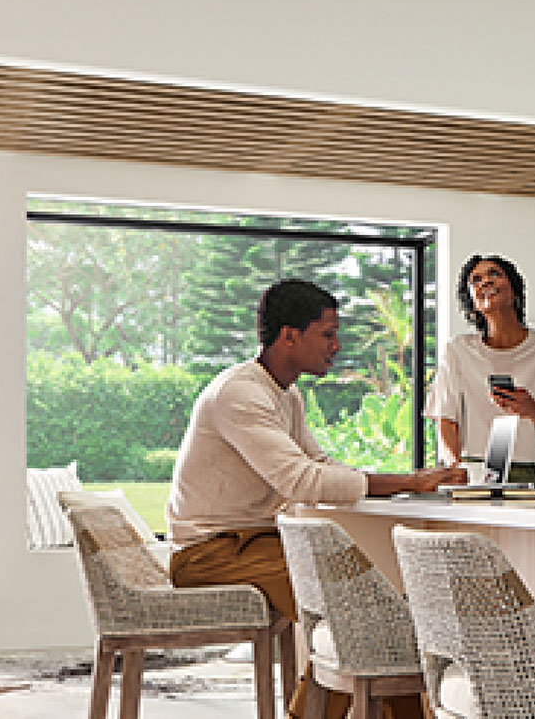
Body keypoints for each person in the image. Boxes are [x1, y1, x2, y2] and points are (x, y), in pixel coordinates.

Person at [167, 278, 463, 719]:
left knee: (369, 620)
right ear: (289, 335)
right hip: (211, 551)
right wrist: (412, 481)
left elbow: (320, 464)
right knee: (359, 621)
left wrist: (407, 481)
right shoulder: (239, 393)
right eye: (327, 334)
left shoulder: (286, 395)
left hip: (255, 541)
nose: (336, 346)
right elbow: (301, 480)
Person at [425, 254, 535, 479]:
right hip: (471, 471)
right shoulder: (457, 350)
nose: (485, 282)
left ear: (514, 290)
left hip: (525, 473)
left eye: (495, 274)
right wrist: (454, 469)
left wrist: (532, 409)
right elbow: (446, 419)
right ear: (472, 303)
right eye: (475, 280)